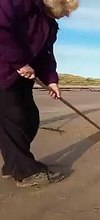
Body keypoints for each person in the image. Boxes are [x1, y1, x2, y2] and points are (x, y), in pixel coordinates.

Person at [0, 0, 79, 187]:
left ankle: (14, 164)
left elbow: (45, 55)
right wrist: (18, 61)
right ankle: (25, 171)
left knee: (30, 118)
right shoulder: (19, 3)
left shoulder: (50, 25)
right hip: (3, 71)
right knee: (14, 118)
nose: (67, 15)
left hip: (20, 76)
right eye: (67, 10)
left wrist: (51, 80)